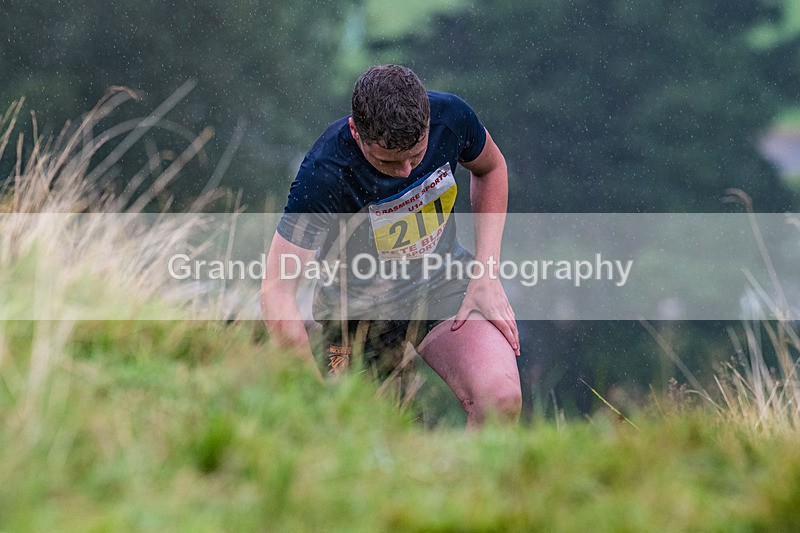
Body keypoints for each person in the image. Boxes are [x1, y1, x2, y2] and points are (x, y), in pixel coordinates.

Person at [261, 65, 521, 427]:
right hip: (357, 316)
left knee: (501, 400)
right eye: (387, 161)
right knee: (379, 435)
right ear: (356, 131)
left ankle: (466, 484)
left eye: (416, 156)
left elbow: (491, 168)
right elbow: (276, 291)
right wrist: (311, 395)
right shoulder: (325, 172)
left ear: (429, 121)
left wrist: (486, 273)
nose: (405, 171)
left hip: (442, 286)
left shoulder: (452, 118)